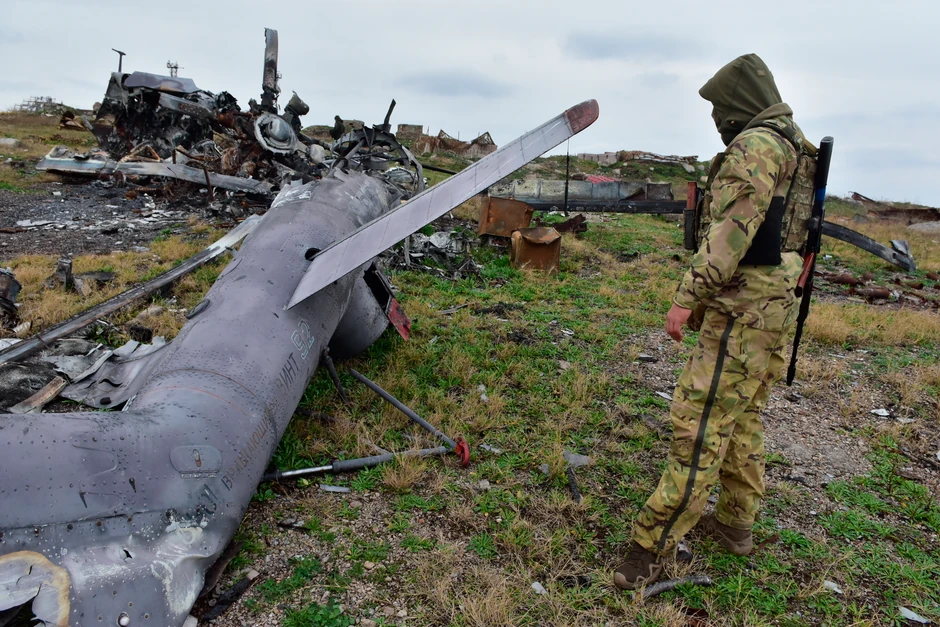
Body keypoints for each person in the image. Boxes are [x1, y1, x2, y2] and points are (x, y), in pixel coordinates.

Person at [614, 53, 816, 590]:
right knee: (744, 413)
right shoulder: (795, 144)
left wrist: (687, 297)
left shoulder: (755, 148)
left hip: (743, 304)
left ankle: (647, 552)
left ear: (740, 103)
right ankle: (735, 524)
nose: (716, 118)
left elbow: (731, 235)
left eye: (720, 107)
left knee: (700, 422)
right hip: (775, 304)